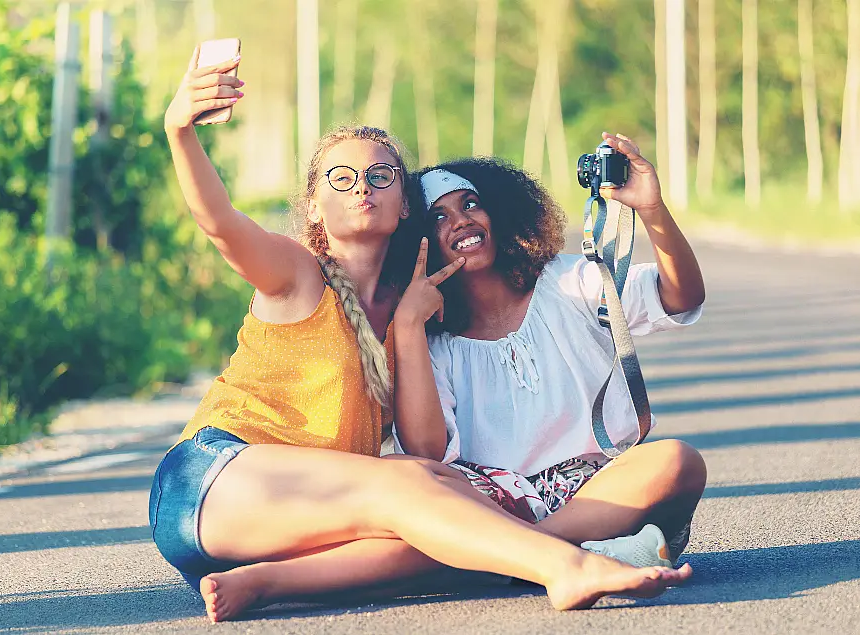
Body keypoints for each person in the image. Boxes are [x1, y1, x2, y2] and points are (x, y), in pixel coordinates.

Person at [150, 51, 691, 623]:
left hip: (289, 525)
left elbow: (429, 449)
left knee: (447, 514)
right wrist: (180, 131)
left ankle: (265, 583)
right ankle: (566, 566)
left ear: (404, 202)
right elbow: (220, 223)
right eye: (342, 178)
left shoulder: (415, 311)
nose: (363, 186)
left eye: (380, 176)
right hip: (212, 483)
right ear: (315, 205)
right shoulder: (297, 274)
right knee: (408, 483)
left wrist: (409, 323)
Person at [394, 134, 707, 563]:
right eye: (438, 217)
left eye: (470, 204)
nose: (460, 221)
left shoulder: (568, 283)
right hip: (488, 503)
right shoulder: (428, 338)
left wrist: (651, 210)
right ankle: (575, 553)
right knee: (402, 503)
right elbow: (425, 456)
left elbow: (681, 297)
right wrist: (408, 326)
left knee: (677, 461)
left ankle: (516, 557)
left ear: (500, 212)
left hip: (597, 492)